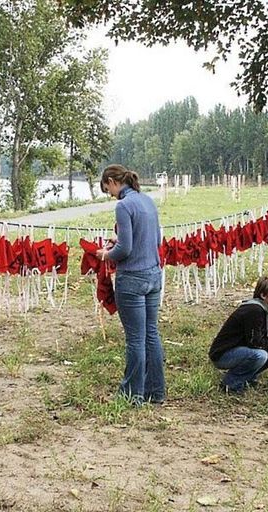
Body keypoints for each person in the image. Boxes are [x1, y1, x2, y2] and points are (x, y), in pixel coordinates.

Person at [96, 164, 164, 406]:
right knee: (151, 334)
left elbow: (125, 249)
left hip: (132, 279)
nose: (110, 194)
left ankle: (132, 394)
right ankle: (156, 392)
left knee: (135, 339)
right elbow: (156, 239)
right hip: (154, 275)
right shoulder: (147, 201)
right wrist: (120, 239)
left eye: (108, 189)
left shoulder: (123, 206)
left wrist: (105, 254)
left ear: (114, 181)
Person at [209, 277, 268, 394]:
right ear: (264, 295)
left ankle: (247, 377)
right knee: (260, 355)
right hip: (223, 355)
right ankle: (230, 384)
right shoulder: (254, 310)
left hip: (242, 349)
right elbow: (255, 342)